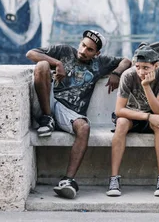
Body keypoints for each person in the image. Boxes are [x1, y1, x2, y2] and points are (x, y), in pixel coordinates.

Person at [26, 30, 131, 200]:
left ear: (97, 54)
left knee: (84, 127)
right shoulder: (64, 51)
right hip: (49, 100)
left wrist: (116, 73)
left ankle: (68, 181)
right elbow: (31, 53)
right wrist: (57, 63)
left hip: (70, 113)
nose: (83, 51)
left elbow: (126, 60)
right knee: (42, 66)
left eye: (89, 49)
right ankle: (47, 118)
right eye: (83, 45)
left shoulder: (100, 64)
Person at [107, 44, 159, 198]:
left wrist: (146, 86)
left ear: (156, 66)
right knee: (121, 123)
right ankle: (114, 179)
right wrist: (147, 117)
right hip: (132, 114)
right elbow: (119, 110)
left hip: (154, 113)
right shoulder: (128, 75)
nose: (141, 72)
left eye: (146, 68)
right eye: (138, 67)